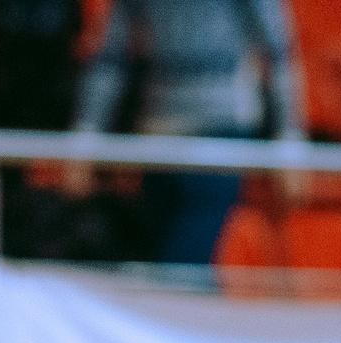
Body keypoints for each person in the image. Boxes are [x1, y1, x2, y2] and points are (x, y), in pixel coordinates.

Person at [66, 0, 303, 266]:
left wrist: (289, 142)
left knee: (184, 263)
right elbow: (110, 57)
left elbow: (279, 51)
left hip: (221, 128)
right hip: (157, 133)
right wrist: (85, 138)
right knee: (162, 258)